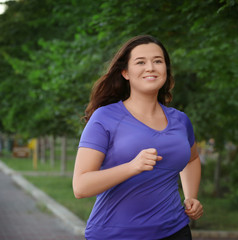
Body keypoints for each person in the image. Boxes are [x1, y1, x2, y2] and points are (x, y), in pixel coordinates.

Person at [73, 35, 203, 240]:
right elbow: (80, 186)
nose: (150, 67)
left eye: (158, 61)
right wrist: (132, 166)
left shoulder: (180, 120)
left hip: (175, 231)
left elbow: (192, 159)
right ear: (125, 72)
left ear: (166, 70)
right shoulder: (105, 117)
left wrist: (191, 196)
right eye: (140, 62)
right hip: (116, 235)